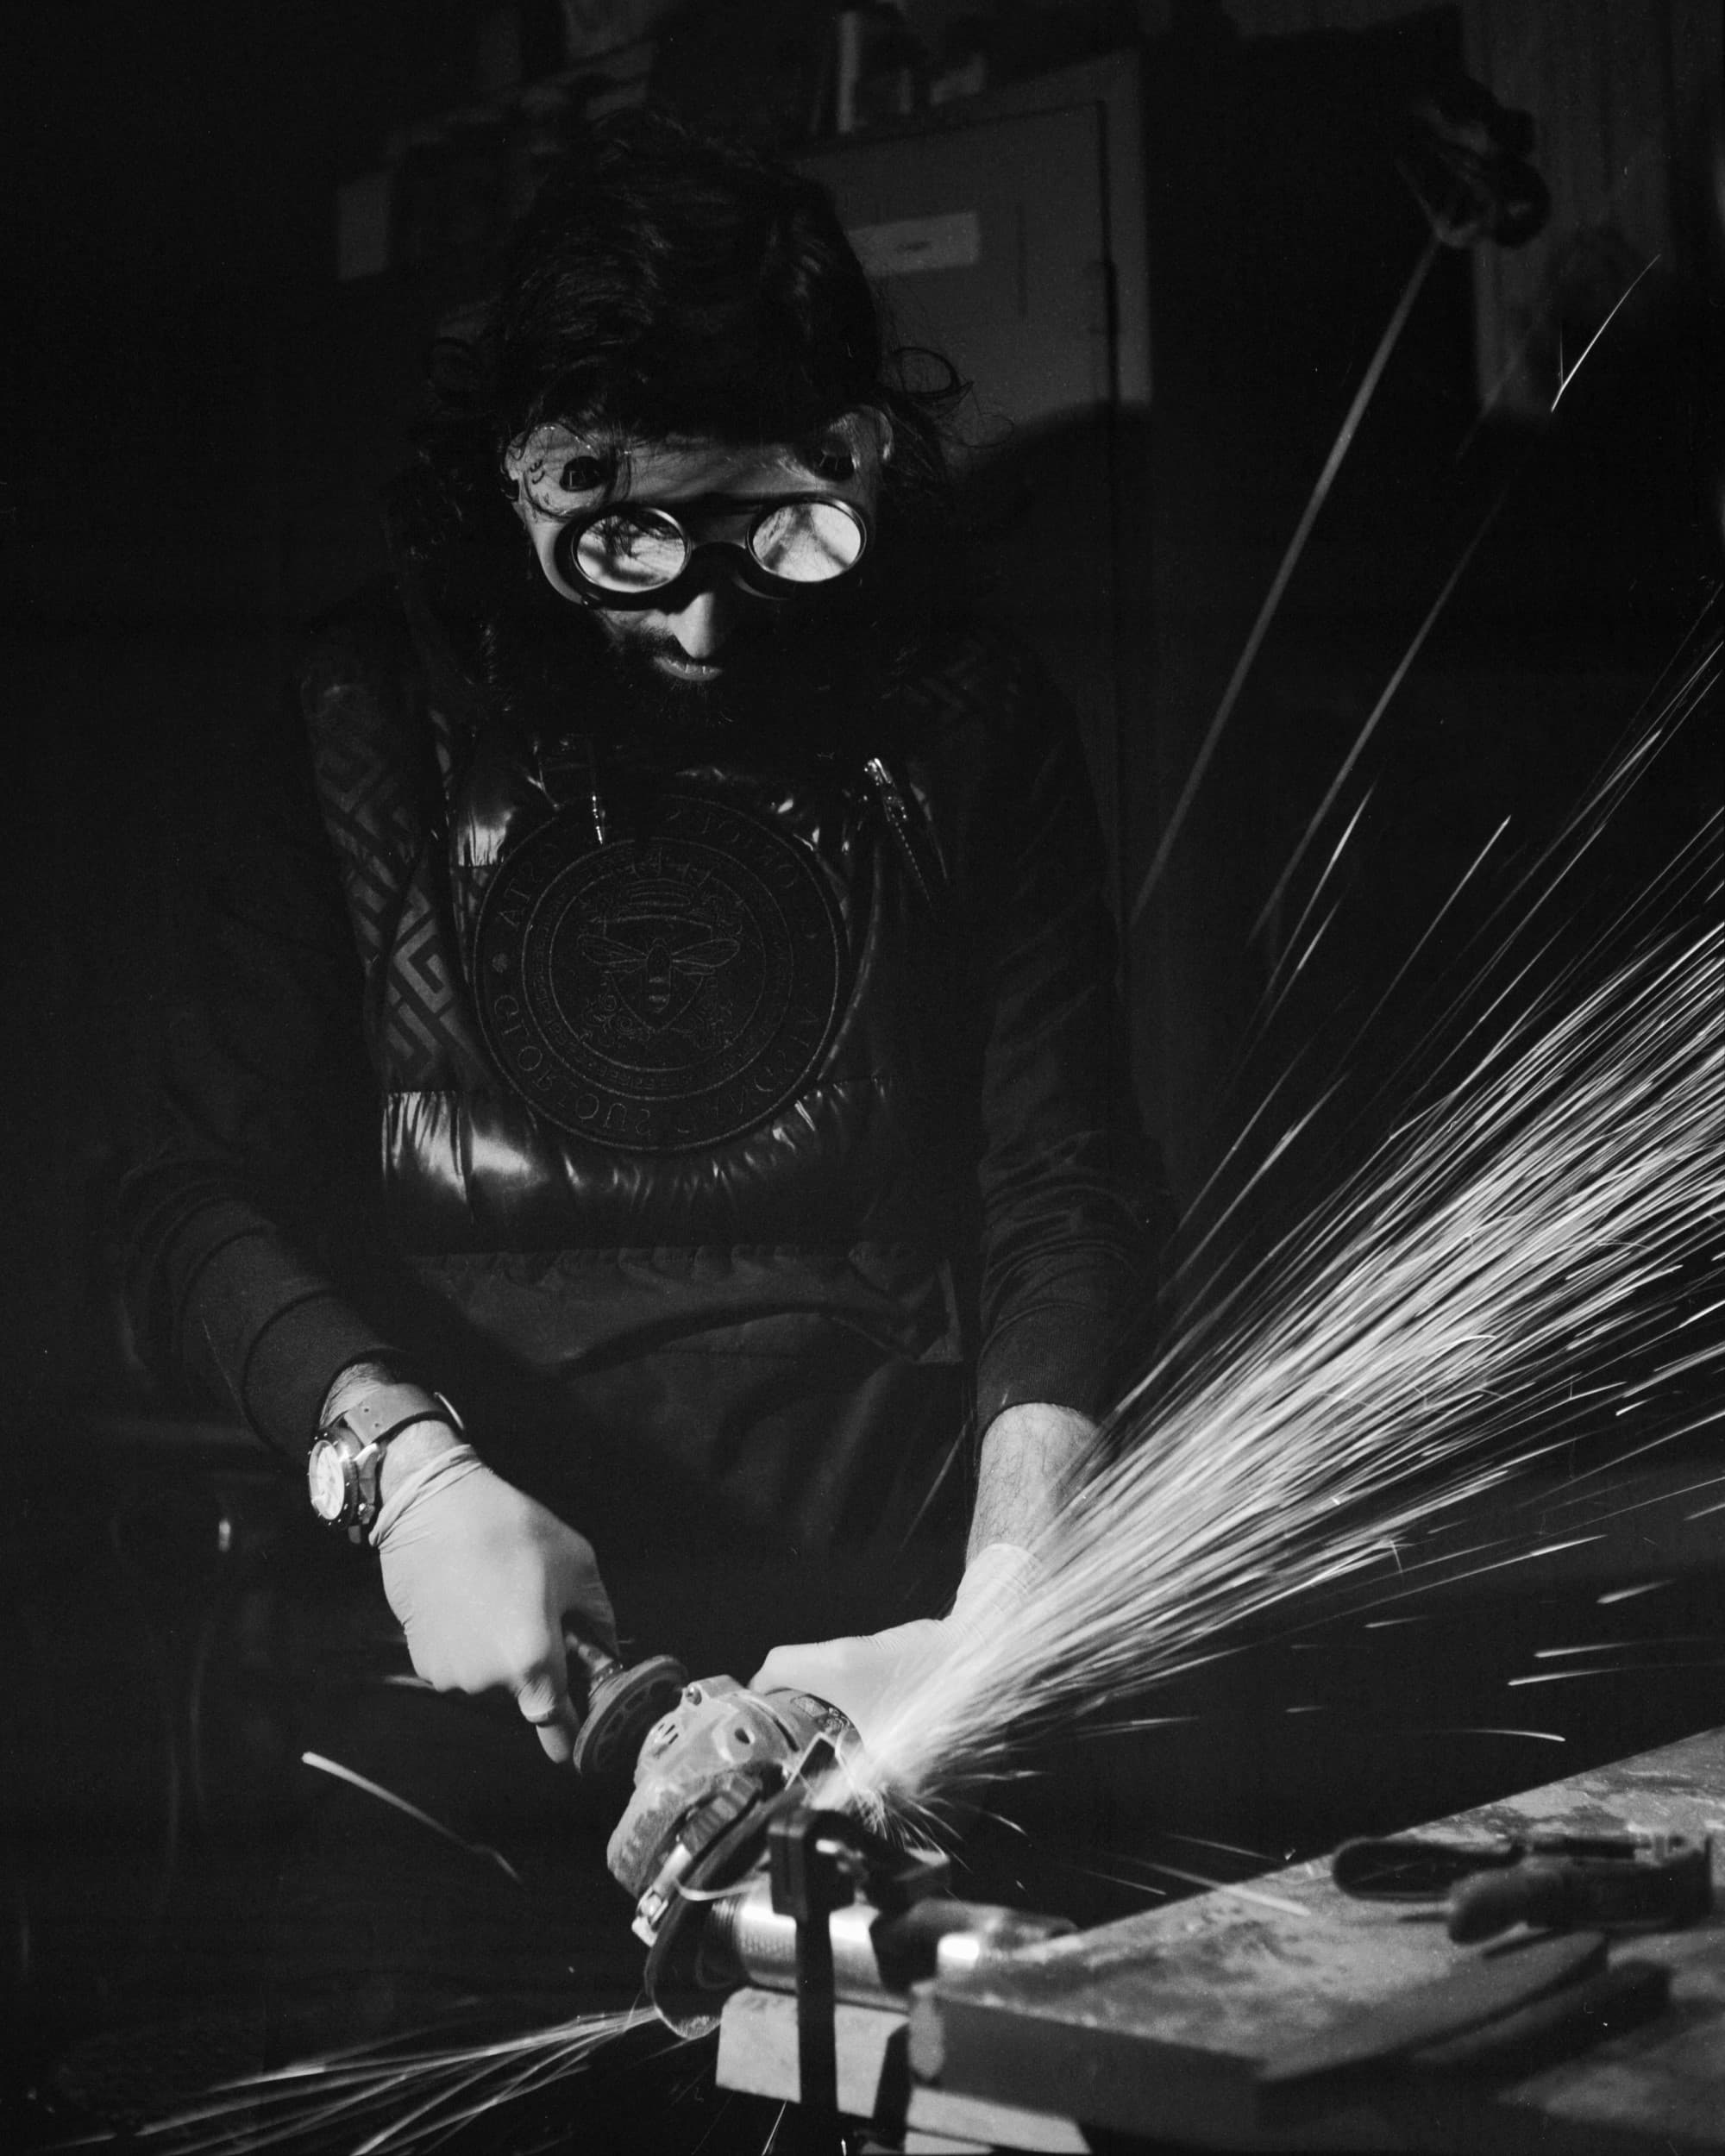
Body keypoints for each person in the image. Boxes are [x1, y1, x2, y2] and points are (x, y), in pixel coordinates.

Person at [120, 110, 1165, 1909]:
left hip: (883, 1641)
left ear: (850, 454)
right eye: (624, 545)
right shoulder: (351, 707)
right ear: (526, 481)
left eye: (769, 527)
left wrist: (1005, 1611)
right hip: (457, 1689)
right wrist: (403, 1472)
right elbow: (174, 1197)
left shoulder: (968, 713)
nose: (699, 623)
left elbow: (1064, 1184)